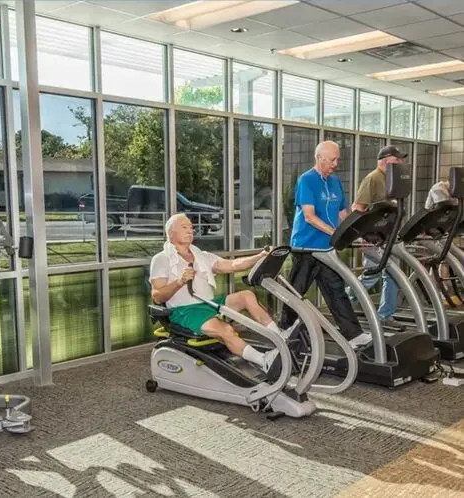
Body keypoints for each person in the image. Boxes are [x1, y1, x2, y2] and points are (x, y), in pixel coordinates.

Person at [149, 213, 300, 376]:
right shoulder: (162, 259)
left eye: (191, 228)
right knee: (226, 330)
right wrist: (179, 281)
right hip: (185, 311)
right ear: (171, 232)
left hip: (209, 303)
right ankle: (263, 361)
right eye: (184, 227)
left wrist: (260, 257)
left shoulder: (201, 255)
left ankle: (280, 336)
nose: (190, 231)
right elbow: (157, 296)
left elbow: (233, 264)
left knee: (247, 295)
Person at [279, 140, 370, 348]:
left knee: (336, 290)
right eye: (332, 159)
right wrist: (336, 233)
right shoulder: (307, 180)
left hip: (327, 248)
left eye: (338, 159)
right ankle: (284, 329)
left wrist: (355, 231)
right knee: (296, 291)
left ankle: (354, 334)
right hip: (306, 247)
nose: (336, 163)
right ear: (319, 157)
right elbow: (309, 216)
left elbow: (343, 213)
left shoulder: (335, 181)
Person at [347, 145, 407, 330]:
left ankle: (385, 316)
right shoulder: (373, 178)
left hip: (389, 236)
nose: (401, 162)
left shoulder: (392, 179)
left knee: (393, 277)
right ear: (387, 160)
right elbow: (357, 208)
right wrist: (364, 234)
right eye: (398, 159)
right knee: (371, 277)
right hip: (372, 238)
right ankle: (342, 299)